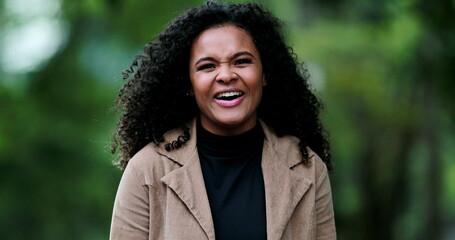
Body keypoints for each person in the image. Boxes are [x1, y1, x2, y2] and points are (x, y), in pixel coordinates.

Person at [109, 1, 336, 239]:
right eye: (208, 66)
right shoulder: (146, 170)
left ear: (265, 74)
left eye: (242, 61)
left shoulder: (308, 167)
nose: (226, 75)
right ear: (188, 83)